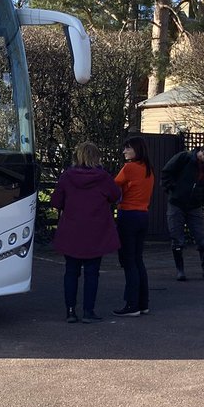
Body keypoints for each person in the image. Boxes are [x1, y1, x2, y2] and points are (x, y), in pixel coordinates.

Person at [50, 142, 121, 323]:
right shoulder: (103, 177)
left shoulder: (67, 177)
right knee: (92, 272)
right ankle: (89, 311)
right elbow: (115, 195)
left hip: (71, 230)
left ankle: (71, 311)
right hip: (96, 231)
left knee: (71, 272)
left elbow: (56, 201)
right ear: (96, 157)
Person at [160, 142, 204, 282]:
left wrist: (201, 196)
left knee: (202, 237)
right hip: (177, 203)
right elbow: (166, 172)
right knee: (177, 237)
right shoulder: (184, 158)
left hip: (194, 205)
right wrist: (173, 190)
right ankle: (180, 271)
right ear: (203, 153)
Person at [113, 136, 155, 316]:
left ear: (136, 149)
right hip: (143, 215)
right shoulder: (148, 169)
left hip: (128, 215)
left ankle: (132, 304)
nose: (124, 151)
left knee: (128, 261)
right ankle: (143, 302)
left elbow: (112, 186)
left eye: (127, 148)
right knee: (138, 260)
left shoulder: (129, 168)